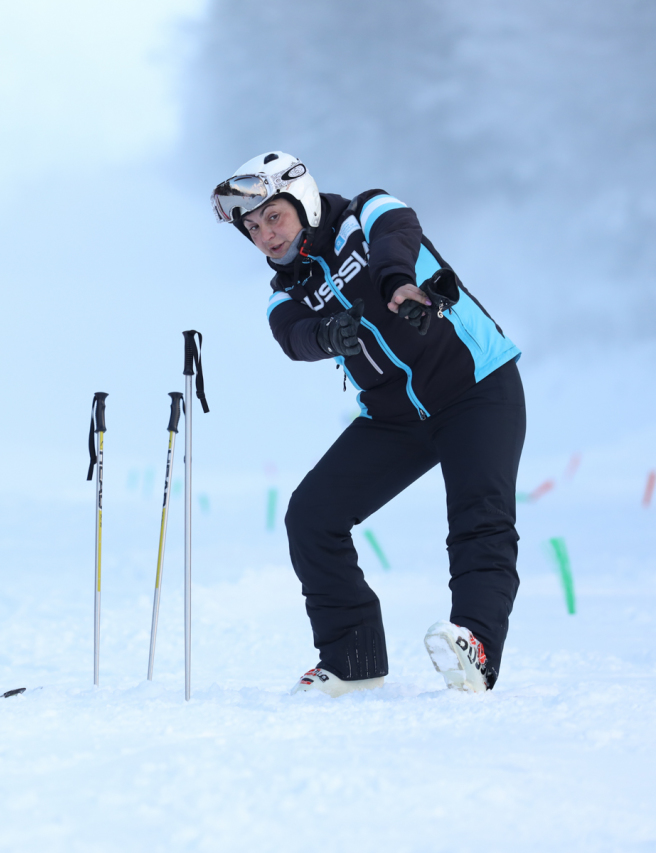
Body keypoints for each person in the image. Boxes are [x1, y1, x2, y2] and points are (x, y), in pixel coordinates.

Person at [211, 152, 525, 695]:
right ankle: (352, 659)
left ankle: (474, 646)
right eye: (253, 228)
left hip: (477, 388)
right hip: (393, 419)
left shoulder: (369, 212)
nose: (265, 235)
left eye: (274, 218)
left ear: (303, 201)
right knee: (311, 517)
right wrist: (327, 335)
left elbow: (396, 237)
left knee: (479, 518)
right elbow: (292, 337)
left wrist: (399, 284)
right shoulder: (283, 292)